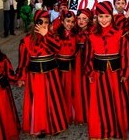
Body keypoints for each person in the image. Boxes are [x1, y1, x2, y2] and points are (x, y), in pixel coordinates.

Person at [16, 10, 68, 138]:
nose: (44, 25)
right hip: (35, 76)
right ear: (35, 23)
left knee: (53, 100)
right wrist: (22, 77)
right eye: (41, 22)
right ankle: (39, 127)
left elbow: (58, 48)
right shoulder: (26, 40)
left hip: (51, 74)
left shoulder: (52, 36)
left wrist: (47, 35)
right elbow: (23, 62)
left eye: (46, 22)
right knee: (39, 101)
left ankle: (55, 125)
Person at [84, 1, 129, 139]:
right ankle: (102, 130)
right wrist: (89, 72)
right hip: (98, 75)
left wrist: (125, 73)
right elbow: (87, 56)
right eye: (100, 17)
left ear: (112, 16)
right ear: (96, 18)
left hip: (115, 75)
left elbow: (126, 55)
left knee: (116, 102)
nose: (104, 20)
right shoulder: (91, 35)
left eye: (106, 16)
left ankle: (116, 130)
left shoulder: (121, 33)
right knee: (100, 103)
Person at [55, 10, 77, 124]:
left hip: (71, 68)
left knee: (71, 91)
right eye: (68, 21)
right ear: (62, 21)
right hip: (59, 68)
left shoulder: (75, 35)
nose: (70, 24)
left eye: (73, 22)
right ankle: (60, 114)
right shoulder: (56, 35)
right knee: (60, 91)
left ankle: (69, 113)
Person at [74, 8, 93, 124]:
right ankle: (82, 113)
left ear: (89, 20)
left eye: (84, 19)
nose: (81, 21)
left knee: (89, 88)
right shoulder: (74, 31)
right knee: (79, 88)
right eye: (79, 18)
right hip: (77, 63)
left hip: (89, 61)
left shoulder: (93, 32)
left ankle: (90, 113)